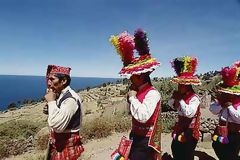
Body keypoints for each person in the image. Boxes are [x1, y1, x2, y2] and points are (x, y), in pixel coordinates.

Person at [110, 28, 161, 160]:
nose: (129, 78)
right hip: (136, 137)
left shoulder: (152, 94)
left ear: (139, 76)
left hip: (145, 141)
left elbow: (143, 116)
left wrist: (132, 98)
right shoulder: (139, 92)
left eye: (131, 75)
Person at [44, 65, 84, 160]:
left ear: (63, 81)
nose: (48, 83)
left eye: (52, 79)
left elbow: (57, 126)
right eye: (48, 79)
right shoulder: (60, 95)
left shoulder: (70, 99)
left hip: (66, 144)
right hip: (58, 143)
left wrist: (51, 101)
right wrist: (50, 109)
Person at [168, 56, 201, 160]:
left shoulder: (194, 98)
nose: (179, 87)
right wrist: (175, 98)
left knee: (186, 154)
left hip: (190, 132)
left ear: (187, 86)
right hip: (179, 129)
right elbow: (170, 103)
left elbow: (189, 113)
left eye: (181, 85)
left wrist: (181, 100)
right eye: (179, 84)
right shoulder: (179, 96)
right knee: (175, 149)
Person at [209, 61, 240, 160]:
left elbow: (239, 118)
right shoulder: (222, 101)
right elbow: (212, 109)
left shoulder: (238, 103)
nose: (226, 94)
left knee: (231, 155)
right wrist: (222, 105)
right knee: (217, 146)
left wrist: (230, 106)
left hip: (234, 134)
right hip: (221, 132)